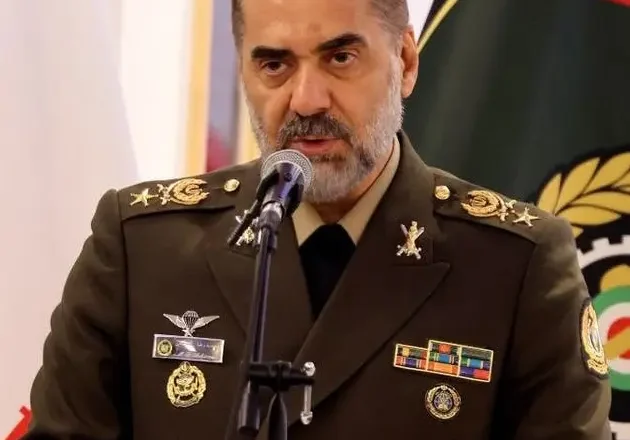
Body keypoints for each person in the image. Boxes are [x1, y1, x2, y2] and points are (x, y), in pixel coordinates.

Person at [25, 0, 612, 439]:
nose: (306, 99)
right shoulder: (141, 247)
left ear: (406, 61)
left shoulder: (515, 264)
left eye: (340, 57)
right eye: (274, 64)